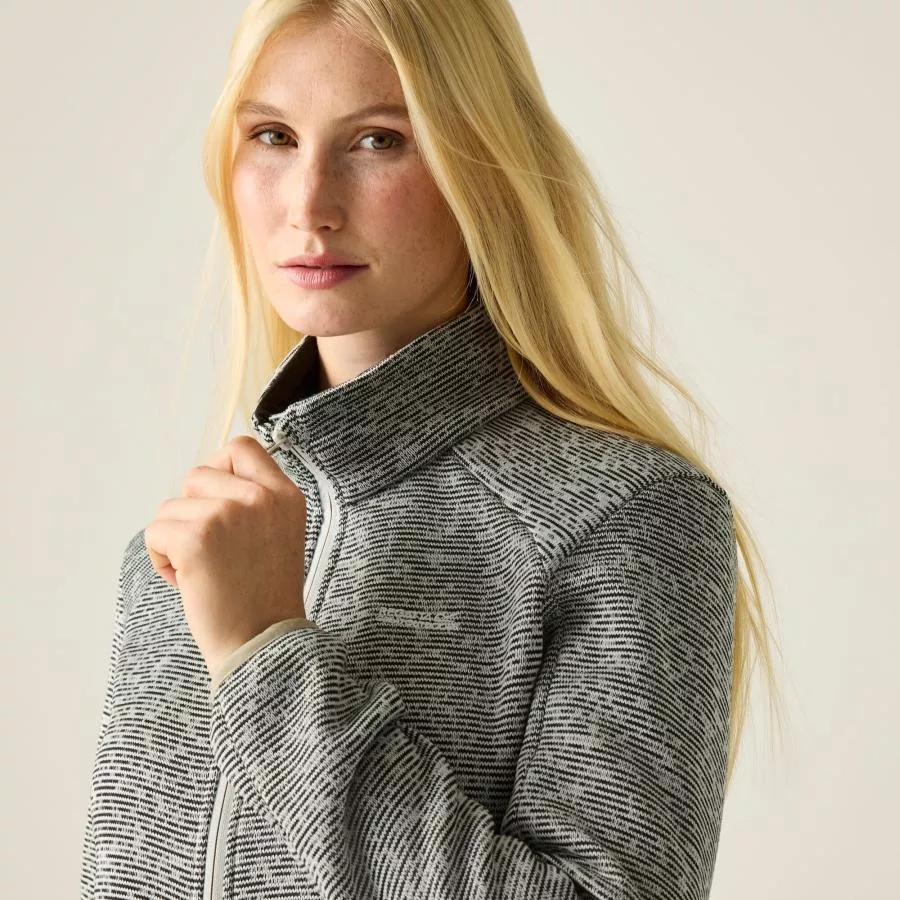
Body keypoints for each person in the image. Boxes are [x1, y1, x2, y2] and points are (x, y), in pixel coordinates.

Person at [79, 2, 785, 898]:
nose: (308, 205)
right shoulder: (191, 548)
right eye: (273, 136)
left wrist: (266, 653)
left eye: (379, 140)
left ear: (482, 164)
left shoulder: (625, 516)